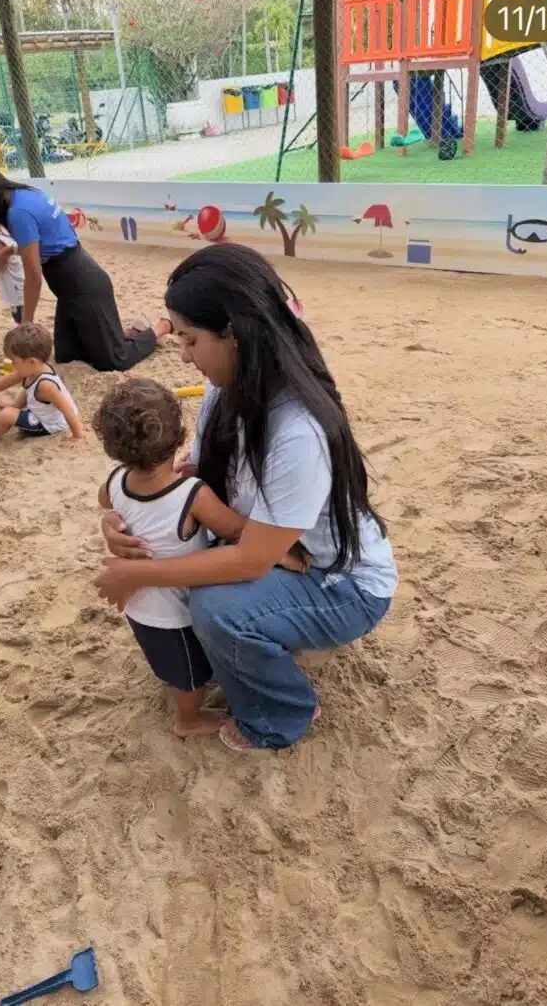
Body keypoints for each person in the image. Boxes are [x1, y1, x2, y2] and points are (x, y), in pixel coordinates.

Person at [94, 243, 398, 752]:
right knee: (189, 563)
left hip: (342, 585)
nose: (185, 355)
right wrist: (117, 521)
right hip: (283, 555)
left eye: (190, 339)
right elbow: (179, 476)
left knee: (216, 606)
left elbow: (252, 560)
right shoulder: (227, 386)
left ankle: (280, 716)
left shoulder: (296, 430)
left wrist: (137, 573)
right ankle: (249, 643)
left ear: (233, 332)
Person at [93, 378, 248, 736]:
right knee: (192, 675)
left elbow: (105, 501)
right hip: (175, 612)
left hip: (138, 605)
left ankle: (175, 685)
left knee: (171, 662)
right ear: (179, 437)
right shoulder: (192, 494)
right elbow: (234, 529)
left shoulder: (116, 480)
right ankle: (187, 720)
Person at [0, 164, 171, 370]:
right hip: (68, 287)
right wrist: (11, 250)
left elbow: (33, 276)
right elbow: (45, 242)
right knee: (68, 354)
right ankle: (127, 332)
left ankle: (160, 327)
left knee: (115, 360)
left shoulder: (18, 213)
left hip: (83, 283)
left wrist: (25, 324)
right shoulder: (24, 194)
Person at [0, 323, 83, 444]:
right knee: (28, 388)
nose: (12, 365)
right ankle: (14, 405)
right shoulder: (34, 368)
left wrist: (77, 436)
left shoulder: (46, 386)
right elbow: (10, 379)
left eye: (14, 361)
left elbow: (67, 409)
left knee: (7, 415)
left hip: (51, 424)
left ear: (31, 362)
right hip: (43, 410)